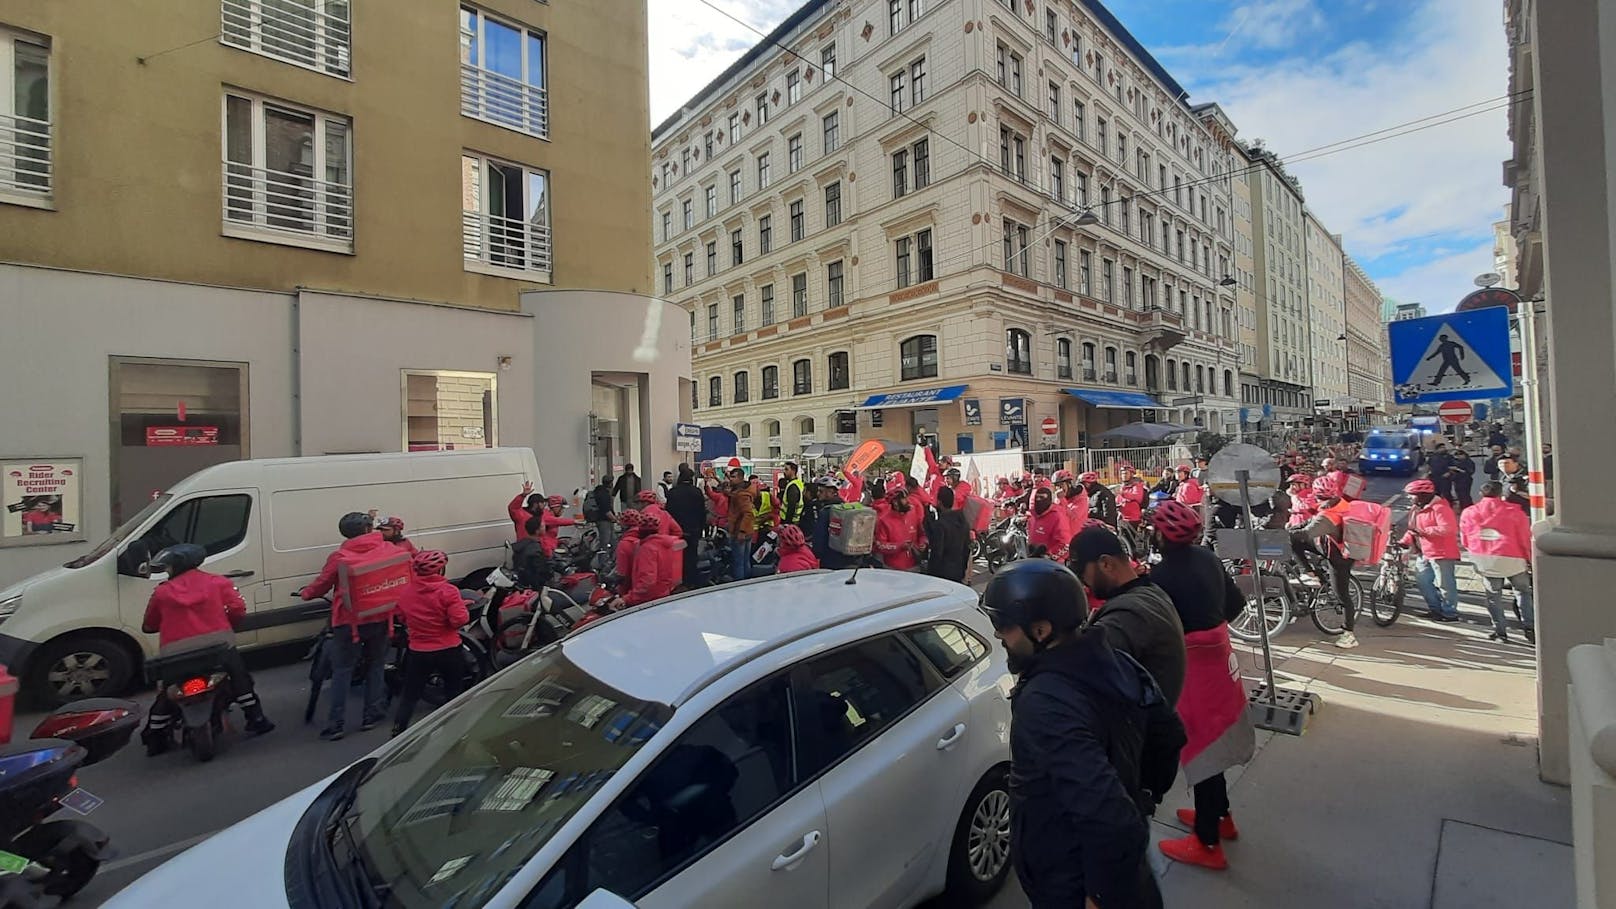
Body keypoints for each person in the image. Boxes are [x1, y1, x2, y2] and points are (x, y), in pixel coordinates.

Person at [980, 560, 1184, 909]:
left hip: (1071, 878)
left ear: (1041, 630)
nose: (999, 636)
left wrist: (1102, 895)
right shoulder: (1116, 660)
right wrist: (1144, 796)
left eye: (1004, 626)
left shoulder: (1045, 704)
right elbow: (1168, 735)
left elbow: (1111, 819)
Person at [1145, 501, 1254, 871]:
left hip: (1192, 673)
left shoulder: (1159, 579)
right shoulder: (1208, 558)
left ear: (1161, 535)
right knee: (1218, 740)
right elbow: (1236, 605)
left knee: (1203, 751)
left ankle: (1208, 843)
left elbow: (1156, 634)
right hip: (1222, 664)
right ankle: (1221, 817)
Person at [140, 543, 274, 752]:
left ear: (175, 566)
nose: (167, 571)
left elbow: (149, 624)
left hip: (175, 651)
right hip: (218, 645)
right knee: (240, 678)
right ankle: (256, 718)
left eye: (168, 567)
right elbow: (238, 609)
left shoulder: (162, 593)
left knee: (167, 691)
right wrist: (228, 624)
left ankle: (155, 737)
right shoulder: (218, 582)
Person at [301, 511, 401, 739]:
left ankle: (336, 723)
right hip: (382, 616)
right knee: (376, 666)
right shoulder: (389, 549)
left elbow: (322, 584)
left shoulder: (340, 556)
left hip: (349, 622)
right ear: (368, 530)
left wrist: (307, 594)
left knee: (342, 670)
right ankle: (371, 715)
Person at [1069, 526, 1187, 703]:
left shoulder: (1127, 615)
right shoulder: (1150, 591)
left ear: (1105, 564)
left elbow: (1080, 674)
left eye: (1082, 573)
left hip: (1142, 725)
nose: (1083, 582)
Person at [390, 550, 470, 736]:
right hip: (448, 649)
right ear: (440, 570)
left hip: (419, 651)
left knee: (410, 694)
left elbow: (401, 616)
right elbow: (459, 620)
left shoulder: (406, 592)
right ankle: (456, 732)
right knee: (453, 693)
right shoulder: (448, 591)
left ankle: (398, 730)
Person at [1288, 475, 1360, 649]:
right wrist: (1291, 529)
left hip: (1340, 557)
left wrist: (1285, 534)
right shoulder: (1338, 503)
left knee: (1342, 595)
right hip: (1330, 547)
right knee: (1295, 542)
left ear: (1316, 493)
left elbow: (1307, 533)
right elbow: (1309, 522)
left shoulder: (1328, 515)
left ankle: (1349, 635)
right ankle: (1314, 574)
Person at [1460, 482, 1536, 644]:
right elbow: (1524, 538)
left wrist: (1473, 553)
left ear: (1481, 494)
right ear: (1501, 494)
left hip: (1484, 557)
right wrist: (1529, 558)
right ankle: (1530, 627)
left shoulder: (1469, 512)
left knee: (1493, 596)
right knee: (1522, 592)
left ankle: (1500, 631)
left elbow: (1465, 538)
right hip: (1512, 556)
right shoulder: (1514, 512)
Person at [1403, 479, 1461, 622]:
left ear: (1422, 495)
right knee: (1423, 581)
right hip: (1423, 552)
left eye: (1412, 495)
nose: (1409, 498)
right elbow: (1412, 530)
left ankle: (1449, 613)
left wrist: (1423, 531)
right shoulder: (1415, 509)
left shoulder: (1441, 508)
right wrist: (1404, 541)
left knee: (1445, 584)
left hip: (1441, 552)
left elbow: (1448, 528)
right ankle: (1435, 609)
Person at [619, 516, 685, 606]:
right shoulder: (665, 545)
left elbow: (647, 582)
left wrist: (627, 598)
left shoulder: (647, 548)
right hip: (665, 594)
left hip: (648, 600)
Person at [665, 465, 709, 583]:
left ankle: (677, 579)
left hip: (676, 529)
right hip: (693, 528)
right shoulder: (696, 492)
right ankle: (691, 580)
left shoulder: (673, 492)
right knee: (691, 555)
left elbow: (668, 512)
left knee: (677, 555)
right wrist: (702, 528)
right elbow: (702, 511)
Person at [923, 486, 973, 583]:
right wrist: (963, 569)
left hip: (943, 574)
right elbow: (966, 548)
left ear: (939, 502)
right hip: (958, 571)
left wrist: (931, 573)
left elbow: (937, 553)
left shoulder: (940, 525)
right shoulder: (962, 521)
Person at [873, 484, 927, 570]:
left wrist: (923, 543)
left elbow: (922, 534)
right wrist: (899, 546)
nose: (908, 501)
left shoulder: (913, 514)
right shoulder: (884, 521)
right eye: (904, 499)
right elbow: (880, 545)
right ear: (895, 502)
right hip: (893, 568)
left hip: (914, 565)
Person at [724, 468, 757, 581]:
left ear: (740, 478)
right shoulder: (744, 490)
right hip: (748, 530)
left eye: (733, 477)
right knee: (745, 560)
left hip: (740, 531)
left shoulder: (741, 495)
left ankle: (739, 585)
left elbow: (748, 513)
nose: (731, 479)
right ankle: (747, 583)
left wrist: (741, 531)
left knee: (738, 561)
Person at [1025, 486, 1072, 563]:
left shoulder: (1058, 517)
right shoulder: (1033, 516)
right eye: (1037, 497)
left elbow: (1065, 543)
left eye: (1042, 497)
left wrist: (1049, 556)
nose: (1038, 500)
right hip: (1033, 560)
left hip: (1051, 564)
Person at [610, 510, 647, 594]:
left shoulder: (624, 544)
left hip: (633, 590)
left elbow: (622, 574)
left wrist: (622, 593)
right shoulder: (647, 539)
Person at [510, 516, 551, 589]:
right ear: (537, 531)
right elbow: (541, 571)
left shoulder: (522, 544)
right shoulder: (535, 549)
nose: (545, 527)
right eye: (542, 526)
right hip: (534, 587)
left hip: (521, 583)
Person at [584, 476, 616, 548]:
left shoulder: (597, 491)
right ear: (610, 484)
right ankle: (603, 558)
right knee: (605, 541)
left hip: (600, 519)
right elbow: (606, 510)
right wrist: (615, 519)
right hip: (604, 520)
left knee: (610, 539)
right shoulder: (604, 494)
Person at [778, 461, 808, 530]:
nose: (784, 472)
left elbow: (791, 506)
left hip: (790, 521)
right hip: (796, 520)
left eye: (786, 469)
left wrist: (787, 524)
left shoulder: (792, 486)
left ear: (793, 471)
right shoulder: (799, 483)